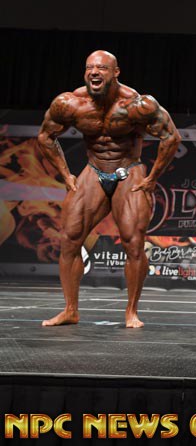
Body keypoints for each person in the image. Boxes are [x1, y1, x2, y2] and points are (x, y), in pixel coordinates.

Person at [37, 50, 181, 327]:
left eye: (101, 68)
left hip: (129, 170)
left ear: (115, 73)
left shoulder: (137, 104)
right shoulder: (70, 103)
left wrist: (152, 177)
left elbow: (171, 138)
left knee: (133, 242)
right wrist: (65, 175)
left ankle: (131, 312)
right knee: (69, 238)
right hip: (94, 170)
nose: (94, 72)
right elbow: (45, 136)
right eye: (89, 67)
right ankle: (70, 310)